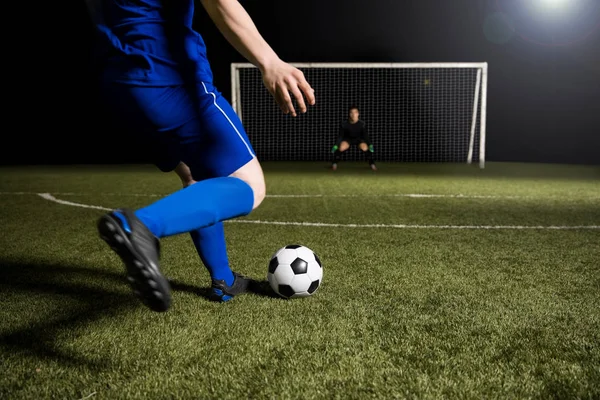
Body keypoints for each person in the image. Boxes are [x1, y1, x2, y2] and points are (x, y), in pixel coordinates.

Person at [85, 0, 315, 312]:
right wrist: (269, 61)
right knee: (250, 185)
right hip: (166, 76)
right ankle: (137, 226)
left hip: (115, 86)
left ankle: (223, 281)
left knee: (195, 175)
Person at [331, 106, 376, 171]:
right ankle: (334, 163)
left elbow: (365, 135)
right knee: (341, 147)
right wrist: (336, 145)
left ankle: (372, 164)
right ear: (349, 114)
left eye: (355, 113)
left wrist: (370, 144)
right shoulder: (344, 124)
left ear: (358, 114)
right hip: (348, 139)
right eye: (351, 113)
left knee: (364, 148)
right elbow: (340, 136)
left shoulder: (362, 124)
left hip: (359, 139)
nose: (353, 114)